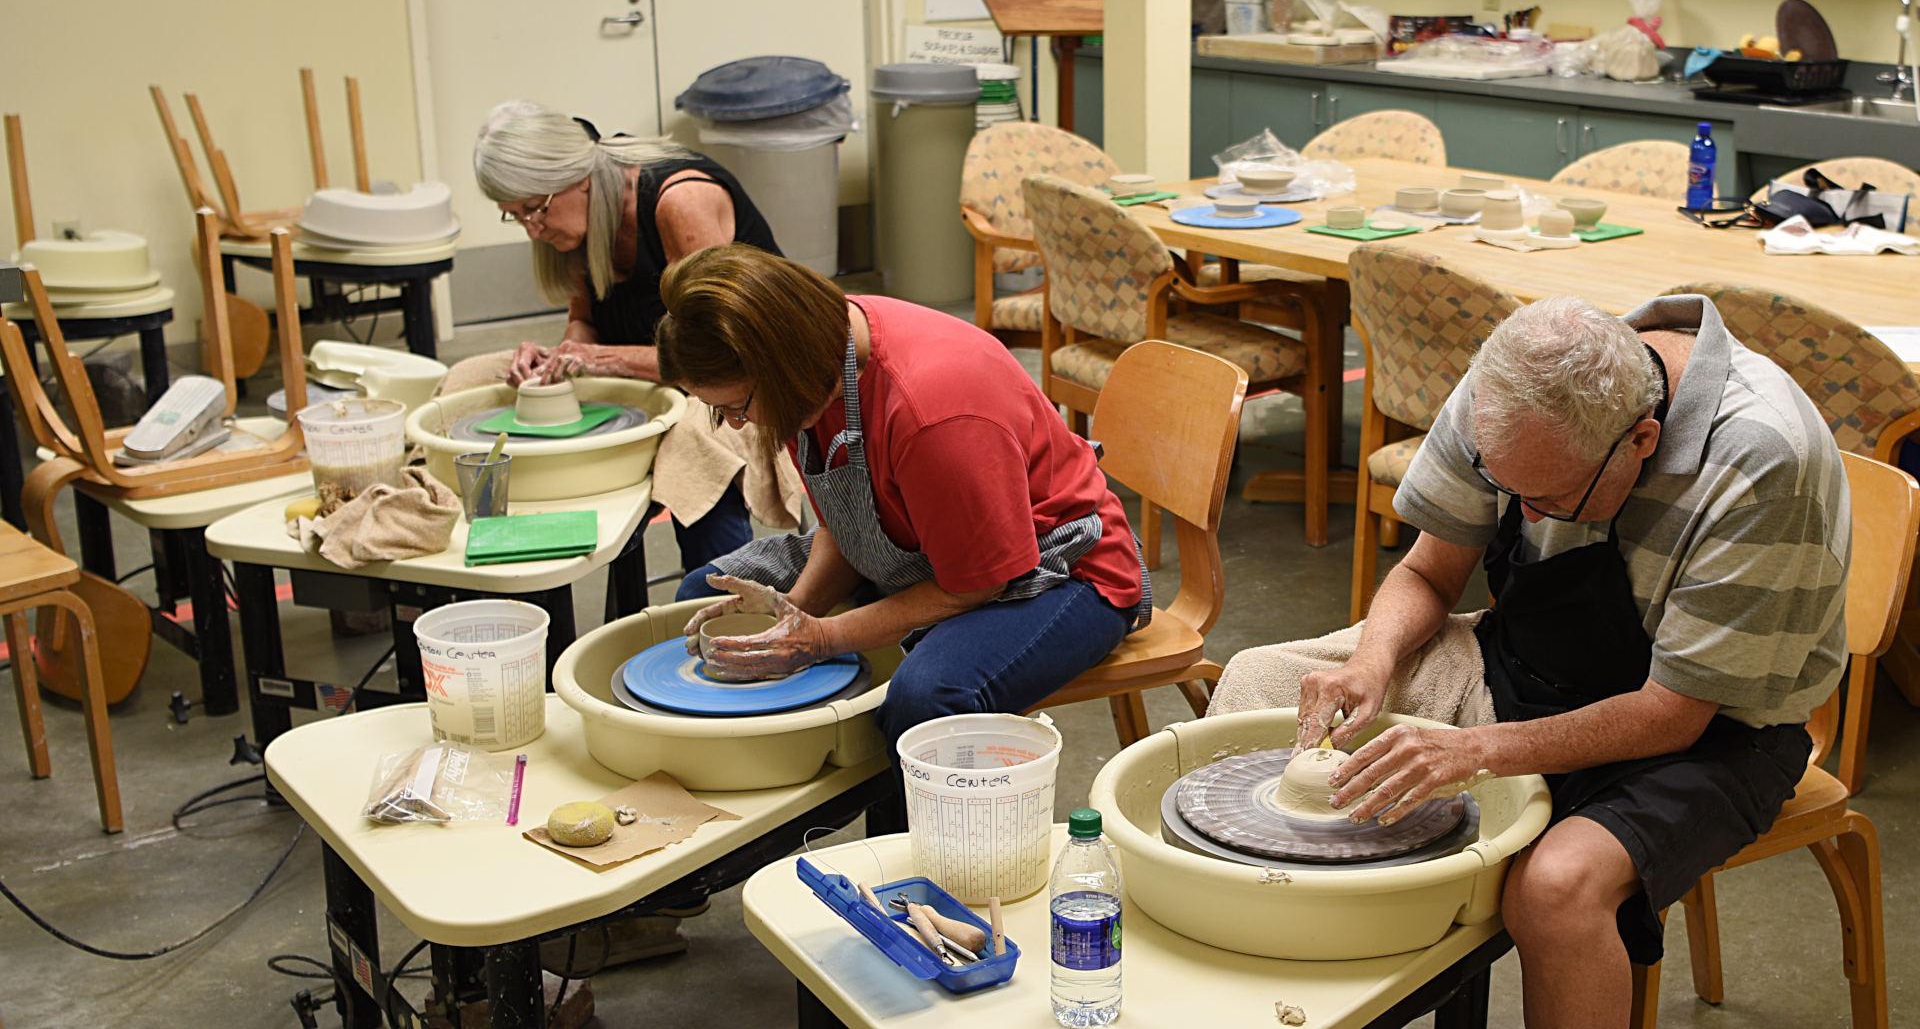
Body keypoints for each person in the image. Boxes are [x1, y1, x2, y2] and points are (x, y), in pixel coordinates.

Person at [1209, 294, 1848, 1025]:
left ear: (1641, 440)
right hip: (1526, 661)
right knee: (1259, 686)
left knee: (1553, 890)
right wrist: (1372, 663)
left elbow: (1674, 713)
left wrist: (1471, 750)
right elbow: (1430, 573)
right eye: (1509, 490)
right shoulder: (1511, 391)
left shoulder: (1762, 458)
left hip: (1716, 729)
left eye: (1548, 500)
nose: (1527, 517)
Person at [653, 243, 1150, 754]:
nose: (740, 422)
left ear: (783, 361)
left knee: (926, 702)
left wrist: (821, 638)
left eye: (739, 405)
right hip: (906, 544)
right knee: (705, 596)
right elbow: (843, 530)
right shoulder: (815, 354)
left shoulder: (934, 410)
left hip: (1056, 568)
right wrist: (792, 612)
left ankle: (909, 828)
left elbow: (976, 583)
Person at [471, 100, 792, 572]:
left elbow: (723, 355)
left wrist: (601, 360)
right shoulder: (576, 218)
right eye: (513, 215)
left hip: (741, 375)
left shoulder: (678, 202)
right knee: (472, 379)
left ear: (577, 179)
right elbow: (586, 322)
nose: (531, 230)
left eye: (533, 210)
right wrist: (560, 354)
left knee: (697, 446)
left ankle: (722, 599)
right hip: (660, 375)